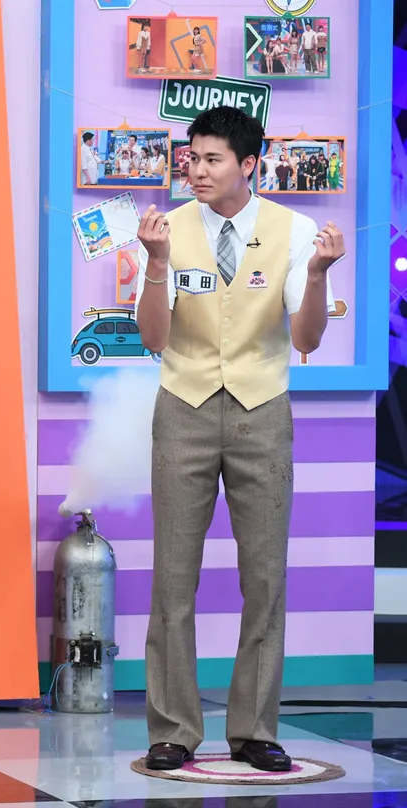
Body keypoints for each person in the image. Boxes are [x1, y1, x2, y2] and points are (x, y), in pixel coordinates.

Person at [134, 106, 344, 773]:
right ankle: (173, 729)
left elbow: (307, 339)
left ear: (249, 164)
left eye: (211, 159)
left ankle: (255, 730)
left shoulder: (295, 230)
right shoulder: (167, 229)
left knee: (265, 576)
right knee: (173, 577)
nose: (195, 170)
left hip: (262, 410)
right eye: (191, 158)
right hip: (183, 406)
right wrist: (157, 263)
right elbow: (153, 338)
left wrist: (318, 275)